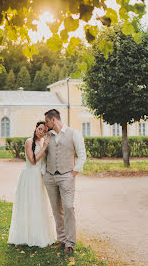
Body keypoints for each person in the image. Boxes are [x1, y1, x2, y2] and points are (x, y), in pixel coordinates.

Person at [43, 109, 87, 254]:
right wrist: (44, 173)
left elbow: (82, 155)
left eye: (47, 121)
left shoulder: (74, 133)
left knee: (68, 207)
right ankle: (62, 240)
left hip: (67, 176)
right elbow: (44, 155)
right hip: (50, 177)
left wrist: (74, 172)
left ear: (53, 120)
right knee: (56, 210)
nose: (46, 124)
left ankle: (70, 243)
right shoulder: (48, 135)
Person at [8, 121, 56, 247]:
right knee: (28, 204)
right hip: (29, 177)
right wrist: (45, 147)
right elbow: (33, 160)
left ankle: (38, 235)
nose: (41, 132)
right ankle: (25, 235)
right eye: (40, 129)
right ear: (35, 128)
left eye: (44, 131)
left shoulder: (42, 142)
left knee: (38, 205)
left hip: (39, 177)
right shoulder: (30, 141)